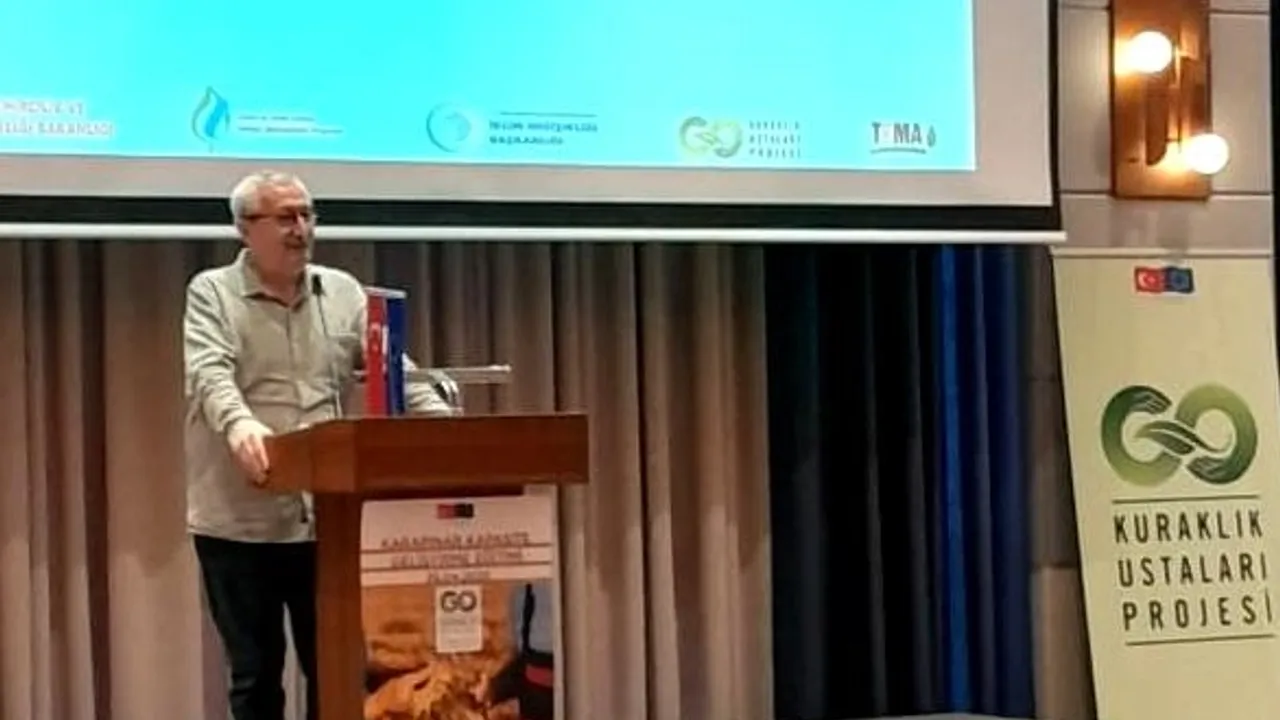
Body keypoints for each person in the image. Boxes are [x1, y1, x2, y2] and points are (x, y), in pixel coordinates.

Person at [182, 170, 453, 720]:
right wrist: (240, 426)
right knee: (256, 677)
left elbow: (393, 372)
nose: (301, 229)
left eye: (308, 215)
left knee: (337, 672)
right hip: (241, 523)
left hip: (327, 521)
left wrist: (444, 425)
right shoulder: (213, 293)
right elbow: (210, 375)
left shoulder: (342, 292)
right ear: (245, 228)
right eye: (286, 217)